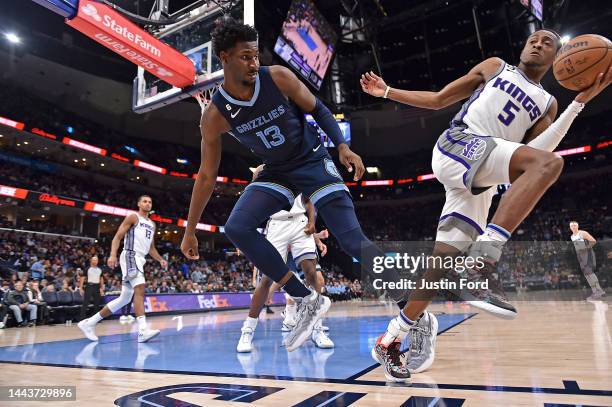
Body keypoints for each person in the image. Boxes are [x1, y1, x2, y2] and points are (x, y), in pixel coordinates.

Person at [360, 29, 612, 381]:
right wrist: (386, 91)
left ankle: (390, 340)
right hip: (459, 144)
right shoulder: (497, 67)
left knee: (438, 269)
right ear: (524, 46)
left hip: (482, 176)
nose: (537, 43)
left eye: (548, 43)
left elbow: (540, 150)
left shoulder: (548, 102)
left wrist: (578, 102)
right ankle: (482, 265)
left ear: (558, 58)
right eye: (533, 39)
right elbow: (438, 99)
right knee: (550, 166)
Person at [181, 17, 409, 352]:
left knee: (350, 239)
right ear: (224, 58)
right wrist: (189, 230)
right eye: (245, 56)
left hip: (313, 160)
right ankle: (305, 299)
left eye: (255, 55)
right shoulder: (214, 115)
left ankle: (410, 305)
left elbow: (319, 109)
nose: (254, 62)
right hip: (276, 170)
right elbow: (205, 175)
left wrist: (341, 145)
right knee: (237, 227)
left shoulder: (277, 77)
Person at [237, 165, 333, 352]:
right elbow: (251, 205)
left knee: (312, 273)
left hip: (300, 223)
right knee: (266, 280)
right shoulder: (265, 170)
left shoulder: (296, 166)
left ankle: (317, 329)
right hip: (276, 226)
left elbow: (308, 200)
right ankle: (247, 331)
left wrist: (312, 222)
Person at [78, 195, 168, 343]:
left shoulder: (152, 224)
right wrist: (113, 254)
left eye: (150, 202)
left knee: (124, 298)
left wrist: (160, 259)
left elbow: (151, 248)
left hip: (140, 259)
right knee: (140, 288)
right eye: (145, 201)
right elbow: (117, 237)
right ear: (139, 204)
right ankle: (143, 331)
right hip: (130, 255)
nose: (148, 203)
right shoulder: (133, 217)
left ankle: (89, 323)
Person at [569, 221, 605, 300]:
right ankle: (597, 291)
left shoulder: (583, 233)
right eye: (572, 226)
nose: (573, 227)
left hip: (588, 254)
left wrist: (585, 248)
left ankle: (597, 291)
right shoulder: (572, 236)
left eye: (575, 225)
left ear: (577, 226)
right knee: (587, 275)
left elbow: (593, 241)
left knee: (590, 273)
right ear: (570, 228)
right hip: (581, 256)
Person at [79, 255, 104, 320]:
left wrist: (101, 288)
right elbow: (82, 278)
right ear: (91, 261)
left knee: (97, 303)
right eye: (94, 260)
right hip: (89, 286)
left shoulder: (100, 269)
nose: (95, 261)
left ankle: (96, 319)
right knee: (86, 302)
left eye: (96, 260)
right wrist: (80, 288)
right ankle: (82, 318)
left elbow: (101, 278)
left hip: (97, 286)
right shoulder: (87, 268)